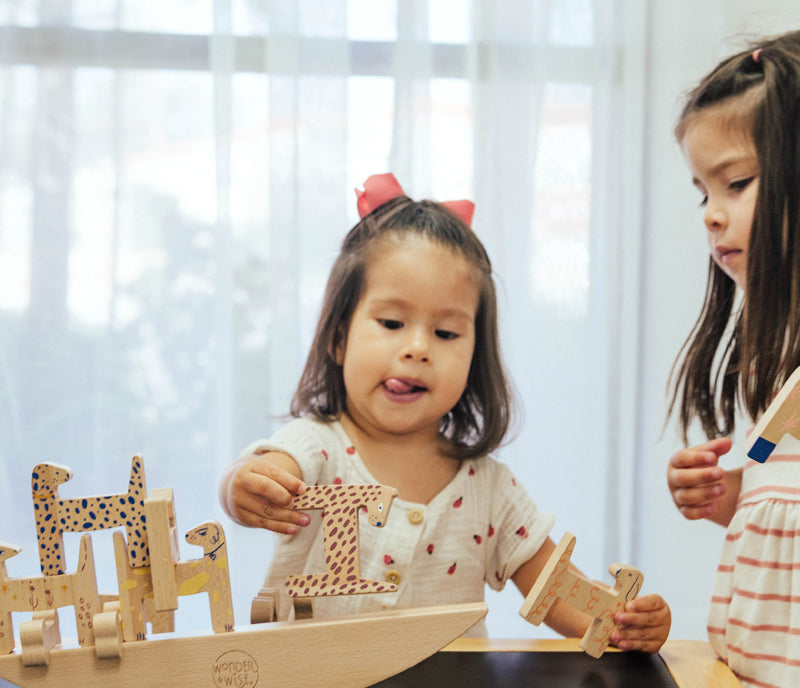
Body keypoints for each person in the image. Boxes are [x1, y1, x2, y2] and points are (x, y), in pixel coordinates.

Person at [221, 172, 671, 650]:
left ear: (475, 358)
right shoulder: (317, 448)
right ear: (338, 338)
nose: (417, 348)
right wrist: (243, 488)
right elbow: (262, 473)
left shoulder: (489, 489)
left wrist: (624, 620)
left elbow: (559, 594)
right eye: (392, 322)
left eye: (446, 334)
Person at [667, 31, 800, 688]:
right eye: (703, 193)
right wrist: (736, 497)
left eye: (737, 184)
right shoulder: (769, 342)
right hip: (759, 687)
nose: (712, 213)